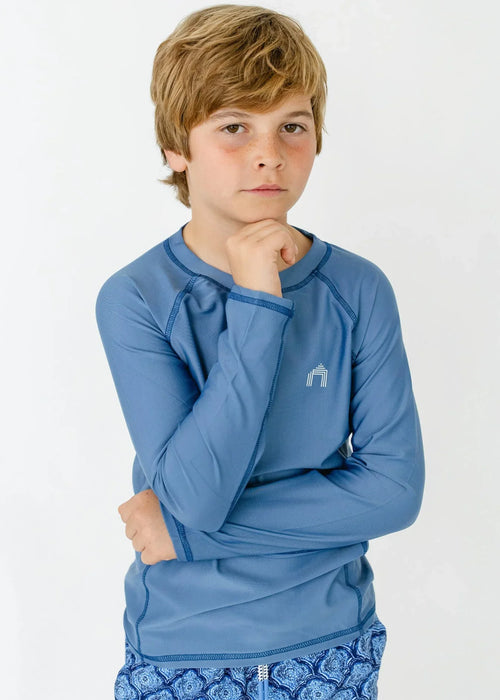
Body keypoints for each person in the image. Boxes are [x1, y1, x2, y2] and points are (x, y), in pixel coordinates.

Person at [95, 4, 425, 699]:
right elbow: (194, 494)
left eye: (292, 127)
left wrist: (188, 536)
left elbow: (393, 494)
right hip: (185, 652)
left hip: (332, 644)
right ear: (176, 148)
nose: (269, 152)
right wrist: (257, 304)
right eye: (234, 127)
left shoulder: (357, 288)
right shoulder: (137, 298)